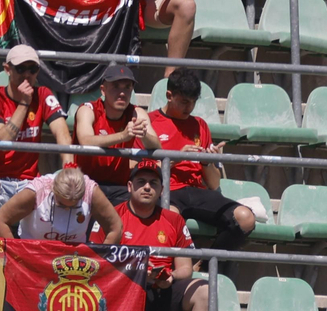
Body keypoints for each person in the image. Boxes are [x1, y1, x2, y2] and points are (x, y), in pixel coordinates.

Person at [146, 69, 256, 249]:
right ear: (169, 95)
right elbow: (138, 169)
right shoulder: (150, 122)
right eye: (184, 102)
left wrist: (207, 162)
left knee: (245, 218)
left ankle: (206, 266)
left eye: (193, 102)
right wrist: (176, 159)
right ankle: (173, 273)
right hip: (166, 190)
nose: (188, 107)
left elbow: (213, 184)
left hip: (198, 192)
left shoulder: (200, 125)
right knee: (168, 219)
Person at [0, 44, 74, 236]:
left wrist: (68, 166)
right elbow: (3, 140)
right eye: (20, 69)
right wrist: (23, 104)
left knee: (55, 189)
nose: (27, 75)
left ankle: (29, 257)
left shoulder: (43, 94)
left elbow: (61, 131)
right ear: (7, 69)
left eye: (32, 69)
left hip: (27, 179)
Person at [97, 160, 209, 311]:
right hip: (125, 285)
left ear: (162, 190)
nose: (147, 187)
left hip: (162, 289)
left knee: (205, 292)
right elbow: (97, 263)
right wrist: (136, 270)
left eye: (153, 183)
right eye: (141, 182)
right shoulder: (112, 217)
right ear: (130, 187)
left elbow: (185, 268)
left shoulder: (174, 219)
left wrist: (171, 277)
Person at [73, 65, 158, 206]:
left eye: (127, 87)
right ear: (103, 90)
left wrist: (144, 135)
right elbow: (85, 140)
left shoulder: (136, 113)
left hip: (120, 188)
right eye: (116, 87)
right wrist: (122, 136)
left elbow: (157, 147)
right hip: (85, 183)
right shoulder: (88, 109)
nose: (122, 93)